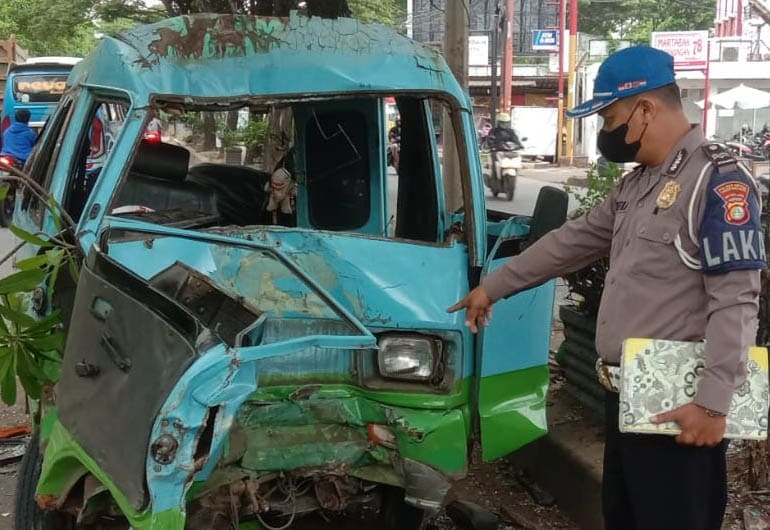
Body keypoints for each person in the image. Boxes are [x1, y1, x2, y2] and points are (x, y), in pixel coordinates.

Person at [449, 45, 765, 530]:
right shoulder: (636, 185)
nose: (604, 131)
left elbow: (737, 299)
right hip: (629, 399)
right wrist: (493, 287)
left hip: (680, 407)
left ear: (644, 109)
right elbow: (570, 243)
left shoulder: (718, 181)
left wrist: (712, 403)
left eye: (608, 117)